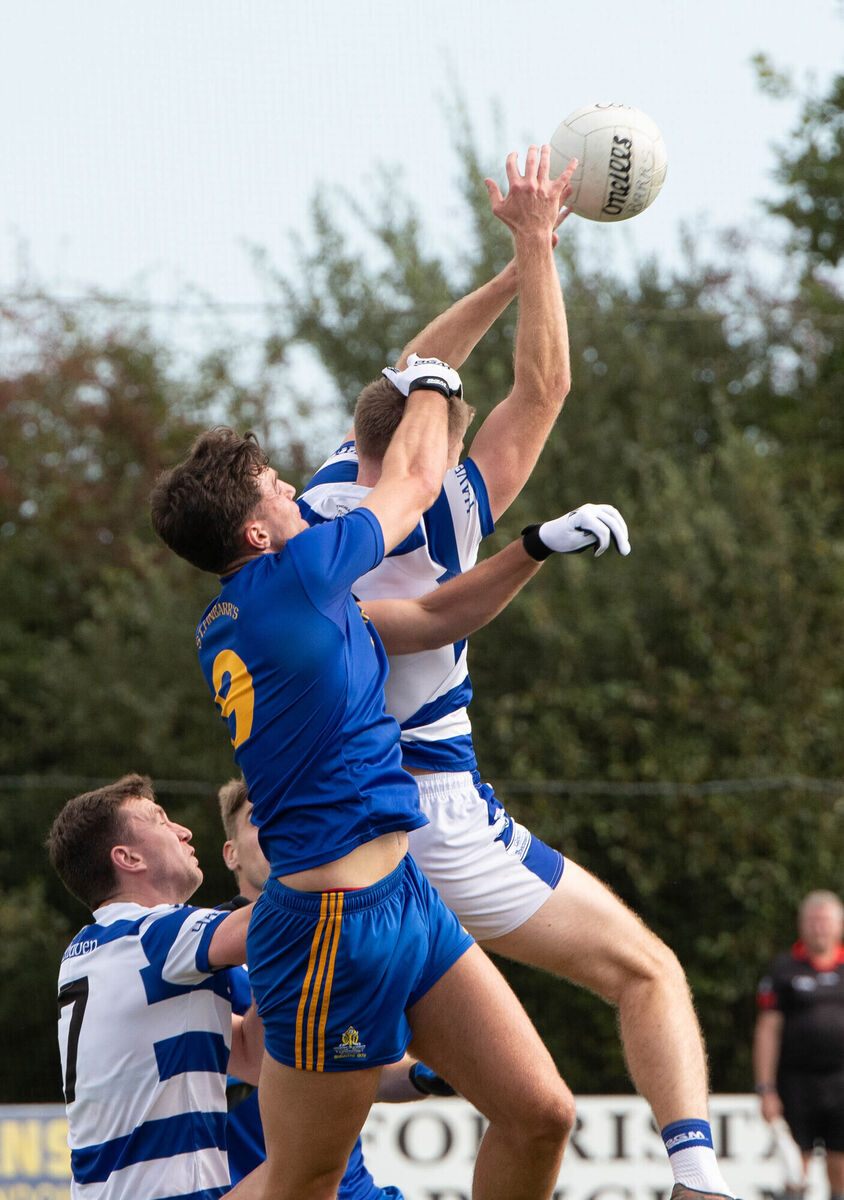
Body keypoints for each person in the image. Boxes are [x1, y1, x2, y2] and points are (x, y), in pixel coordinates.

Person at [149, 142, 608, 1200]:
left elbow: (431, 578)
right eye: (271, 484)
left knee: (539, 1114)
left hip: (400, 893)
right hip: (325, 930)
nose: (289, 487)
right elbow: (409, 466)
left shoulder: (269, 596)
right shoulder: (304, 577)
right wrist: (453, 346)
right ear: (262, 533)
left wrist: (507, 277)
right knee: (298, 1185)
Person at [298, 149, 738, 1200]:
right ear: (436, 449)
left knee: (334, 1132)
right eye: (453, 428)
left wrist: (519, 263)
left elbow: (413, 371)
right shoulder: (446, 518)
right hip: (434, 818)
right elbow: (543, 386)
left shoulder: (318, 509)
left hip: (323, 835)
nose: (462, 437)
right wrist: (535, 245)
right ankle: (696, 1180)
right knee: (645, 971)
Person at [217, 776, 456, 1200]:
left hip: (356, 1190)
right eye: (258, 820)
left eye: (284, 816)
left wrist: (427, 1074)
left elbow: (358, 1067)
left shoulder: (350, 941)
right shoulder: (201, 957)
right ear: (230, 854)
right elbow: (241, 1063)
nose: (275, 829)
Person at [47, 773, 268, 1200]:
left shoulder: (93, 947)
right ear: (128, 858)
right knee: (312, 1171)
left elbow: (251, 1057)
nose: (183, 830)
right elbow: (288, 920)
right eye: (160, 819)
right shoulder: (149, 936)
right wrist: (310, 837)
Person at [754, 891, 844, 1200]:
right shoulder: (784, 971)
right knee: (796, 1166)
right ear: (801, 925)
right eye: (813, 920)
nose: (820, 927)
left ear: (839, 925)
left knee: (840, 1162)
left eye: (826, 921)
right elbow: (768, 1030)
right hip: (796, 1083)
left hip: (840, 1081)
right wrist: (765, 1088)